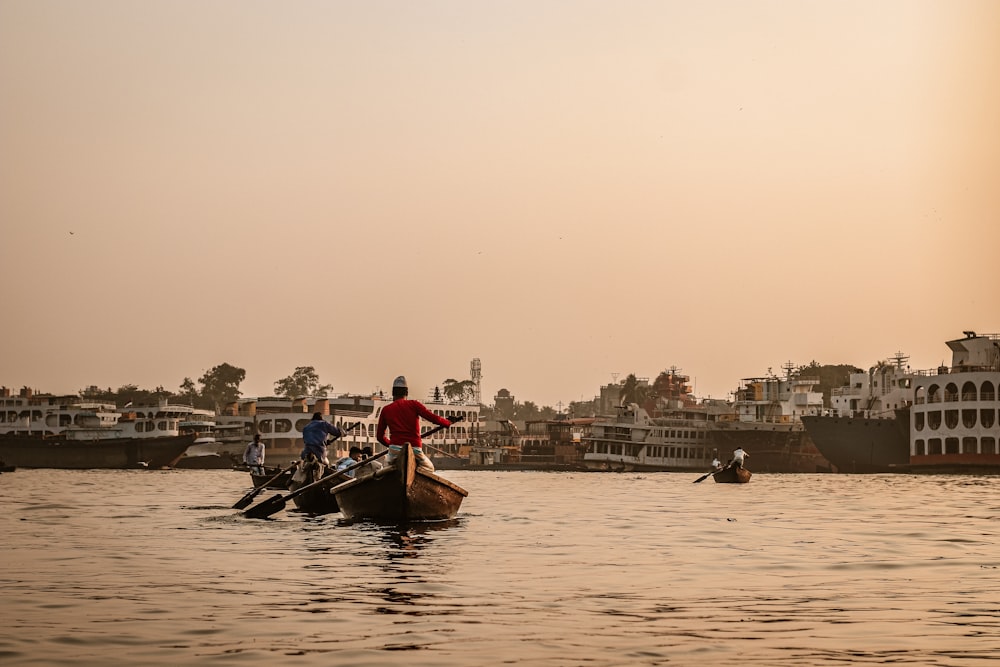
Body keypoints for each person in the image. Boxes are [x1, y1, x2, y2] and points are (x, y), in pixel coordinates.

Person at [376, 375, 451, 471]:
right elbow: (432, 418)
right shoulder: (414, 405)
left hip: (395, 449)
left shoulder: (386, 409)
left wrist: (391, 444)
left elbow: (380, 437)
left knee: (386, 470)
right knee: (430, 469)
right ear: (406, 392)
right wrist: (447, 423)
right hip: (415, 448)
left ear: (393, 393)